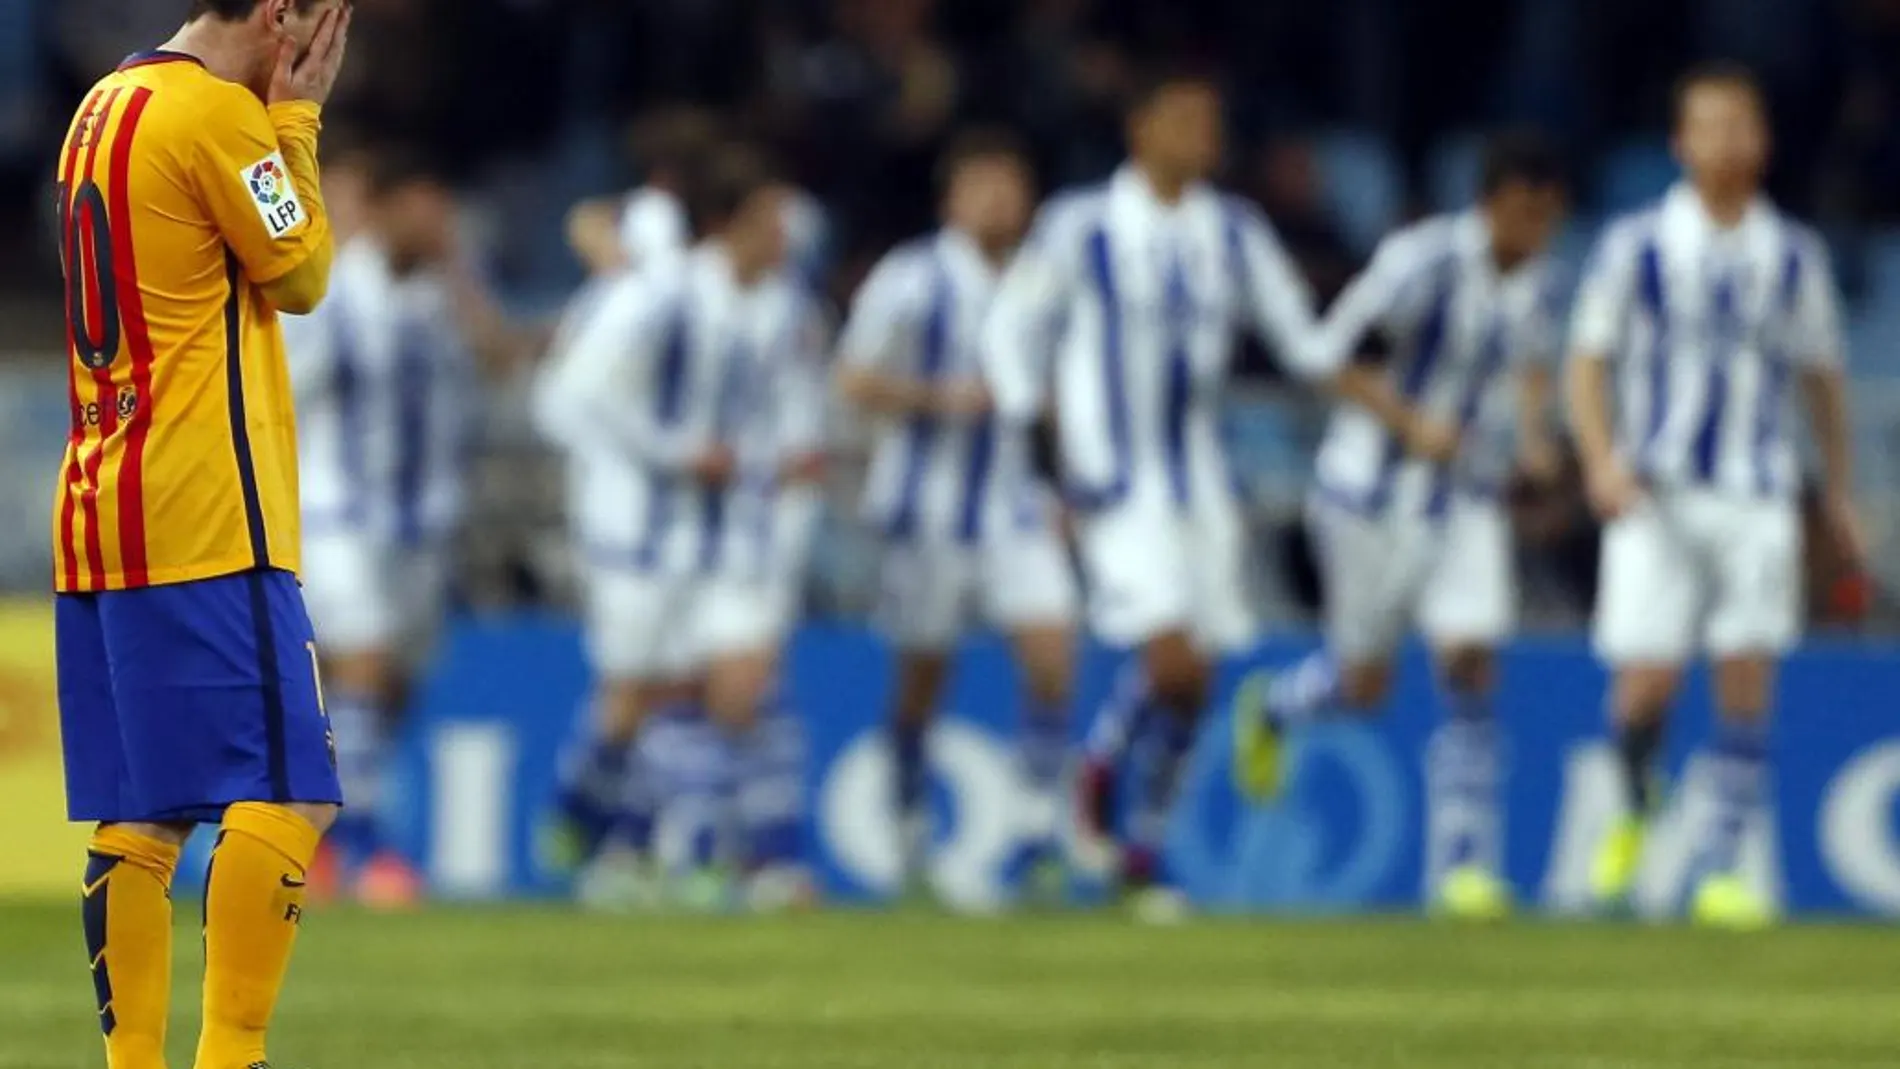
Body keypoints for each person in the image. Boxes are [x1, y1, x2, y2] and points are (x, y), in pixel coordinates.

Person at [51, 2, 349, 1068]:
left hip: (102, 502)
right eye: (323, 22)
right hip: (207, 510)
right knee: (289, 791)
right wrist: (299, 119)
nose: (326, 46)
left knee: (149, 810)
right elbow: (302, 272)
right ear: (279, 16)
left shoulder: (102, 105)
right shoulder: (219, 116)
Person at [982, 67, 1333, 916]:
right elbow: (1009, 332)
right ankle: (1098, 772)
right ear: (1139, 130)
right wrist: (1042, 447)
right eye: (1183, 119)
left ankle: (1141, 849)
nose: (1202, 137)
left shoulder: (1235, 231)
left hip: (1203, 483)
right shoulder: (1080, 226)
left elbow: (1302, 341)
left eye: (1210, 120)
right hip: (1114, 480)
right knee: (1171, 655)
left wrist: (1373, 372)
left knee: (1195, 679)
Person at [1229, 132, 1571, 920]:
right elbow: (1332, 356)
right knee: (1363, 683)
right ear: (1488, 205)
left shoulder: (1543, 284)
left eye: (1547, 216)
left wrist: (1536, 441)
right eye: (1522, 212)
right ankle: (1277, 704)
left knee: (1471, 655)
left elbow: (1530, 365)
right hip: (1370, 494)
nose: (1534, 230)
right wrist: (1411, 422)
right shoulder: (1423, 265)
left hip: (1465, 499)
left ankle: (1461, 866)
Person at [1565, 63, 1862, 929]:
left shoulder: (1795, 256)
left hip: (1756, 492)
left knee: (1745, 669)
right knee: (1644, 686)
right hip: (1655, 491)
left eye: (1741, 125)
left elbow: (1823, 381)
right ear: (1679, 143)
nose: (1727, 141)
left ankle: (1723, 869)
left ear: (1762, 142)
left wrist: (1837, 492)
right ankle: (1634, 800)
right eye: (1710, 126)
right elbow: (1589, 357)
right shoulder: (1635, 247)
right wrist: (1599, 459)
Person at [541, 148, 808, 907]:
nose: (784, 233)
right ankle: (597, 823)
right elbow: (568, 396)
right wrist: (678, 454)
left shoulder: (788, 307)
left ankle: (743, 859)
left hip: (735, 539)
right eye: (769, 220)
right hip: (645, 539)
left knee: (739, 684)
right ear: (726, 224)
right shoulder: (659, 297)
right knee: (634, 702)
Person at [837, 129, 1078, 902]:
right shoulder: (910, 278)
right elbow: (853, 378)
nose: (1001, 202)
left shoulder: (1046, 282)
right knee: (922, 680)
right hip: (927, 506)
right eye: (985, 186)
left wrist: (1067, 468)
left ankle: (1042, 837)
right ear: (952, 199)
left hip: (1015, 504)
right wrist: (942, 397)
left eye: (1012, 187)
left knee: (1051, 656)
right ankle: (909, 831)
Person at [284, 150, 473, 907]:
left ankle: (315, 837)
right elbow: (285, 388)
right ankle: (368, 849)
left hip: (419, 525)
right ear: (391, 208)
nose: (442, 225)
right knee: (361, 663)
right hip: (338, 512)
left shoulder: (435, 301)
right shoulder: (331, 288)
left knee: (389, 685)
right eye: (429, 209)